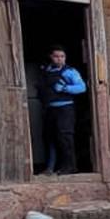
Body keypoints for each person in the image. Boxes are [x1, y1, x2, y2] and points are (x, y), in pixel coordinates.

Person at [37, 44, 87, 175]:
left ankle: (70, 167)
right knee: (50, 138)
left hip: (65, 109)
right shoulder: (46, 71)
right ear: (51, 57)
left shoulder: (69, 71)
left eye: (62, 56)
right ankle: (50, 168)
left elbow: (82, 87)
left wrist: (66, 88)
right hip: (49, 109)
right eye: (56, 56)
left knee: (64, 138)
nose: (59, 59)